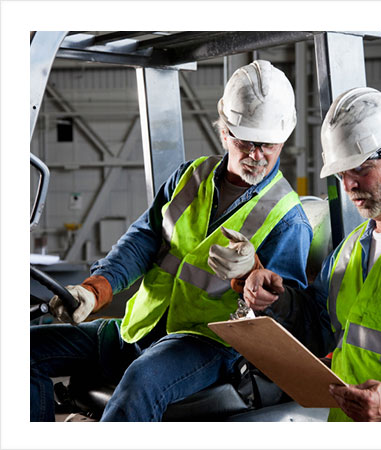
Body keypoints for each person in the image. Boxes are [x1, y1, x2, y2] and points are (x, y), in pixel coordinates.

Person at [30, 60, 313, 421]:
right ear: (225, 132)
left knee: (142, 381)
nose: (257, 155)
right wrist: (96, 289)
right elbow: (143, 240)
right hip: (141, 327)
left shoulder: (289, 220)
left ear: (284, 137)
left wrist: (253, 277)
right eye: (247, 141)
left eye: (268, 144)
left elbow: (286, 316)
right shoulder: (189, 177)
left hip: (205, 344)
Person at [230, 87, 381, 422]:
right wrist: (279, 299)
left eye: (361, 168)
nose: (348, 185)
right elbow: (319, 327)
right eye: (341, 174)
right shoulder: (350, 249)